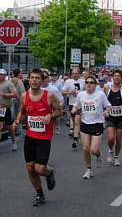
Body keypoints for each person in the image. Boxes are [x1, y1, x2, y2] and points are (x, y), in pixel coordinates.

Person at [13, 68, 62, 206]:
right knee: (30, 167)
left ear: (42, 81)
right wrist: (18, 120)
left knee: (39, 169)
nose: (34, 80)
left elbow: (59, 111)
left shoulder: (49, 96)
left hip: (44, 137)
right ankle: (39, 194)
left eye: (37, 78)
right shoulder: (24, 96)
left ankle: (49, 173)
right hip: (30, 136)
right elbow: (21, 112)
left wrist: (50, 115)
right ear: (28, 79)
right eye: (32, 77)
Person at [71, 75, 111, 179]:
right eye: (87, 82)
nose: (88, 84)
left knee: (93, 150)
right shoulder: (81, 95)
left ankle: (98, 155)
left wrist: (106, 111)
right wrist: (74, 109)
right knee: (85, 149)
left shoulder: (100, 94)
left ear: (95, 85)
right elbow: (77, 104)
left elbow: (108, 105)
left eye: (91, 83)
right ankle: (89, 169)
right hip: (85, 124)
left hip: (97, 124)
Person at [104, 70, 122, 166]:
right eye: (115, 76)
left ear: (121, 78)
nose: (117, 77)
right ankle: (110, 150)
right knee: (110, 138)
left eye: (119, 76)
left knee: (118, 139)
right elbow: (104, 101)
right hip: (110, 116)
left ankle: (116, 157)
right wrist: (105, 110)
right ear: (112, 78)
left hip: (120, 117)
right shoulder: (107, 88)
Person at [62, 68, 85, 149]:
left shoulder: (83, 81)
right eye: (73, 73)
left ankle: (75, 139)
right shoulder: (68, 82)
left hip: (81, 104)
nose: (74, 75)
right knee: (75, 122)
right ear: (71, 74)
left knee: (77, 122)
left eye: (76, 73)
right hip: (72, 104)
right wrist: (70, 92)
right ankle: (78, 134)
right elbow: (63, 92)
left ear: (79, 74)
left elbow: (87, 90)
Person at [0, 68, 18, 150]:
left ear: (5, 75)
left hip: (6, 108)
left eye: (2, 74)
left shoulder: (9, 84)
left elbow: (15, 94)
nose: (0, 75)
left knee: (9, 127)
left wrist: (5, 95)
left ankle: (14, 141)